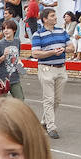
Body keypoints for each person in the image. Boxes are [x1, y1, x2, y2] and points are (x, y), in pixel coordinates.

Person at [30, 8, 69, 139]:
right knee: (49, 99)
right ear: (45, 19)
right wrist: (52, 52)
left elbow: (72, 47)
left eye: (55, 15)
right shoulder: (38, 35)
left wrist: (63, 49)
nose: (55, 17)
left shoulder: (62, 31)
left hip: (61, 68)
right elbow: (35, 53)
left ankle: (45, 121)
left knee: (57, 99)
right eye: (52, 16)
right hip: (46, 68)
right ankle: (51, 126)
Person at [0, 19, 26, 100]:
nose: (5, 31)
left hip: (15, 78)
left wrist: (21, 68)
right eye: (4, 29)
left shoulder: (17, 41)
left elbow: (17, 58)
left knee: (20, 101)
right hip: (2, 79)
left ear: (14, 30)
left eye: (8, 28)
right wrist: (3, 57)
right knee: (1, 104)